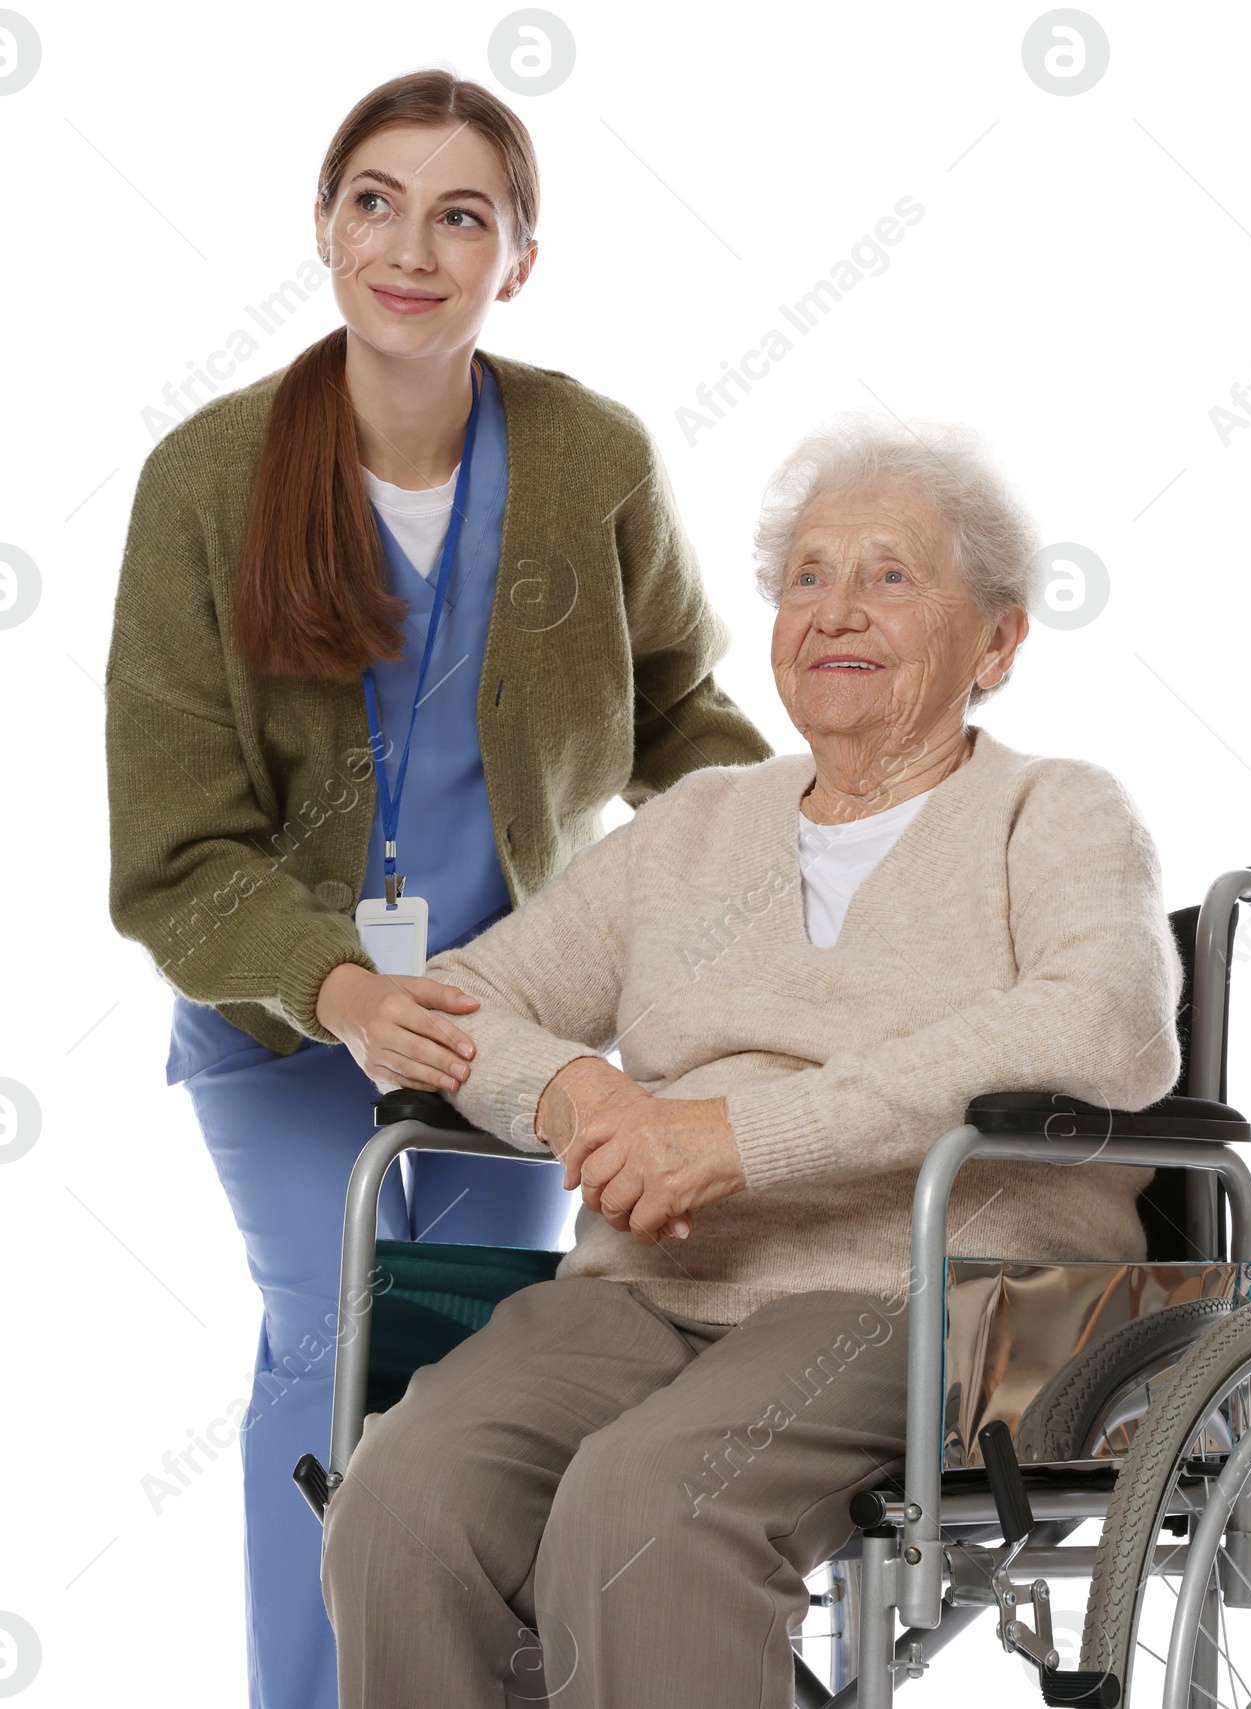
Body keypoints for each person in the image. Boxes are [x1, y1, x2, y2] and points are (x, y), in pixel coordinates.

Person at [320, 416, 1184, 1708]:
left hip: (940, 1294)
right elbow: (463, 1000)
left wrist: (736, 1135)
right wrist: (579, 1089)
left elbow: (1106, 1020)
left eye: (892, 575)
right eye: (809, 577)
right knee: (402, 1500)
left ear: (997, 640)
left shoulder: (1053, 813)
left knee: (649, 1510)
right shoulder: (695, 827)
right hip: (655, 1283)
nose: (837, 610)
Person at [104, 70, 769, 1709]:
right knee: (332, 1344)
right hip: (282, 1023)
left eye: (463, 213)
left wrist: (819, 846)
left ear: (517, 259)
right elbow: (173, 846)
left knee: (479, 1369)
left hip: (509, 1032)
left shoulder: (588, 457)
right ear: (326, 229)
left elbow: (681, 717)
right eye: (378, 203)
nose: (414, 246)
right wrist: (338, 990)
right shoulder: (207, 477)